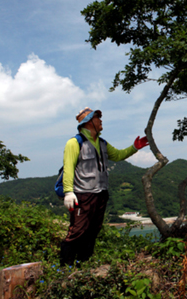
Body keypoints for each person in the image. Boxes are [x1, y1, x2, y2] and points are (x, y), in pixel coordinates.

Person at [59, 107, 149, 267]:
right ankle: (65, 269)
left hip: (101, 195)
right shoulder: (74, 143)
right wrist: (68, 192)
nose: (101, 121)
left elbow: (118, 155)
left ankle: (82, 267)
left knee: (92, 232)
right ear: (88, 123)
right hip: (82, 196)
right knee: (77, 232)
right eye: (97, 118)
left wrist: (135, 147)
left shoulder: (102, 143)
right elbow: (68, 168)